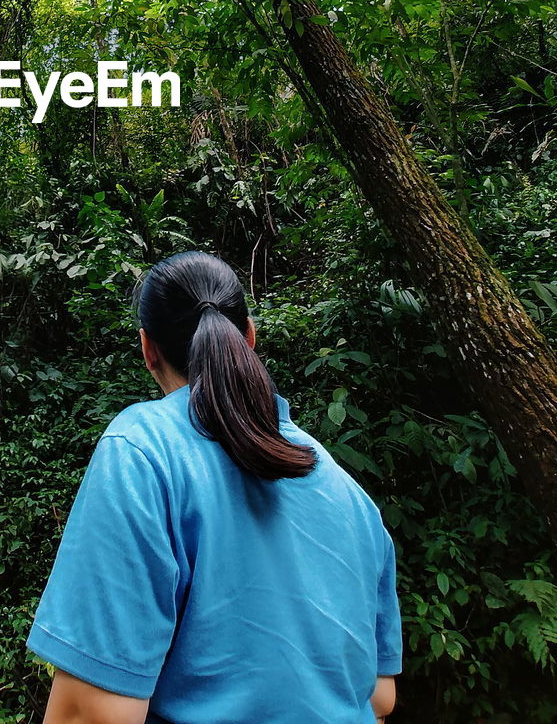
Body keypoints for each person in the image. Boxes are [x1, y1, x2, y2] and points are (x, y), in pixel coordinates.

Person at [26, 250, 402, 724]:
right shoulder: (351, 495)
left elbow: (93, 713)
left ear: (148, 349)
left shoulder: (142, 451)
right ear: (249, 336)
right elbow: (379, 696)